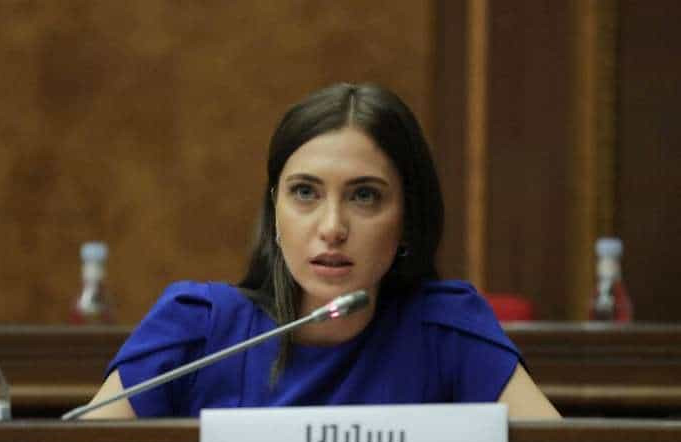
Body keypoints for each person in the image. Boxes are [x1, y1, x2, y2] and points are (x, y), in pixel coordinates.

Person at [84, 82, 560, 419]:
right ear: (275, 212)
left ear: (408, 217)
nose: (332, 228)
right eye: (305, 193)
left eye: (364, 195)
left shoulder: (446, 330)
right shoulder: (196, 329)